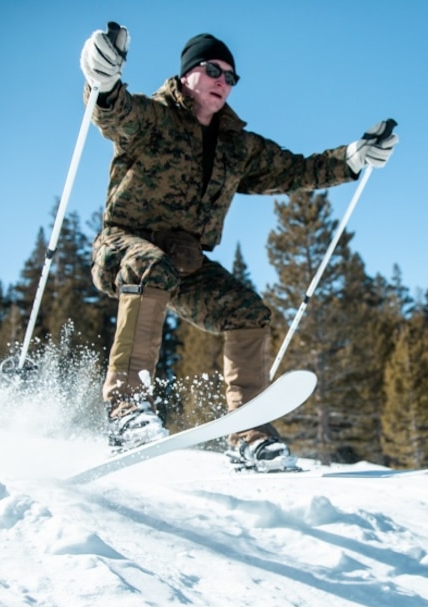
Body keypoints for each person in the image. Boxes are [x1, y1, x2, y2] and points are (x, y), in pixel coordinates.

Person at [79, 24, 398, 467]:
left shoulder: (236, 145)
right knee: (151, 264)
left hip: (186, 262)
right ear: (189, 72)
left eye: (231, 77)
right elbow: (115, 113)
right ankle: (126, 407)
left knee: (247, 309)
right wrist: (105, 82)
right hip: (124, 244)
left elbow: (294, 170)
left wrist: (352, 158)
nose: (223, 82)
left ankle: (248, 432)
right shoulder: (154, 117)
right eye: (213, 70)